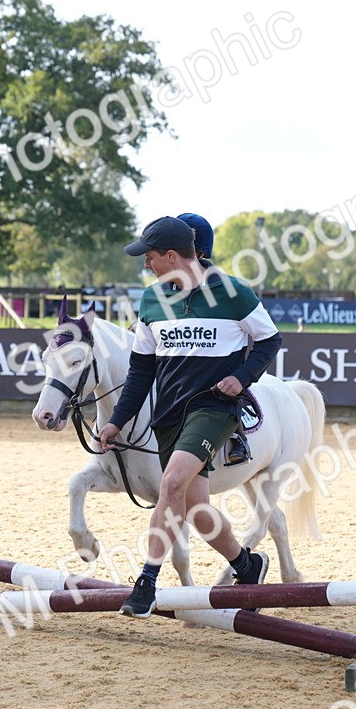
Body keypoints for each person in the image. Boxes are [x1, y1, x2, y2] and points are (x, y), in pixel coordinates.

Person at [97, 215, 283, 617]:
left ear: (170, 256)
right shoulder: (151, 300)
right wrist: (117, 420)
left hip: (214, 407)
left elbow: (270, 339)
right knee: (197, 509)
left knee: (172, 482)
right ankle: (246, 564)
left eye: (150, 258)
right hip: (168, 412)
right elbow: (141, 371)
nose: (146, 265)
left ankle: (146, 581)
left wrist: (242, 376)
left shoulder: (234, 293)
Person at [176, 212, 250, 466]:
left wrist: (240, 377)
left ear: (199, 252)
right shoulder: (163, 288)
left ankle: (237, 436)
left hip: (217, 378)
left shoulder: (229, 289)